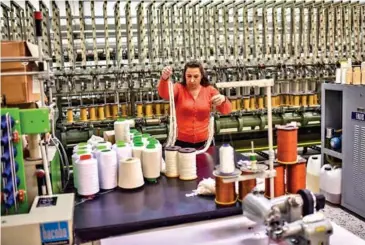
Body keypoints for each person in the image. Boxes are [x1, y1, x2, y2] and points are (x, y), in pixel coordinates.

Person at [157, 61, 232, 149]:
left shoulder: (209, 90)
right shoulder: (179, 88)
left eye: (196, 76)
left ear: (202, 76)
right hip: (181, 143)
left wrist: (223, 99)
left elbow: (226, 111)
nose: (192, 80)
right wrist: (164, 78)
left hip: (205, 143)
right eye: (189, 76)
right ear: (184, 76)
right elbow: (164, 94)